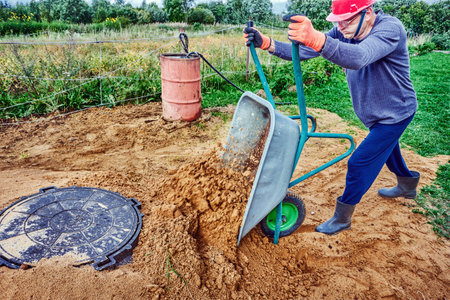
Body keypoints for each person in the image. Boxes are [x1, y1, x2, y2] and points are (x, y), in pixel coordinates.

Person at [244, 0, 420, 235]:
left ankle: (342, 218)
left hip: (396, 112)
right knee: (387, 148)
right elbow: (305, 50)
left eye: (347, 19)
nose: (342, 26)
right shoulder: (345, 30)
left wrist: (317, 38)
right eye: (338, 21)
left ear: (367, 13)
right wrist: (267, 43)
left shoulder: (389, 29)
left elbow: (359, 57)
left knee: (360, 162)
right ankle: (407, 186)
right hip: (375, 114)